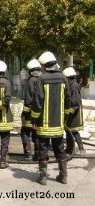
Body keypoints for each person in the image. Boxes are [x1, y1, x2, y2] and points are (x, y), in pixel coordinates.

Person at [31, 51, 71, 185]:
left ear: (44, 65)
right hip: (58, 123)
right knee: (59, 148)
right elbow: (68, 101)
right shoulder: (64, 78)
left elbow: (37, 102)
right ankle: (63, 176)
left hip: (43, 124)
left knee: (43, 149)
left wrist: (34, 120)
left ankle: (43, 178)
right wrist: (65, 117)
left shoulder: (42, 79)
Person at [20, 59, 42, 161]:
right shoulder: (42, 79)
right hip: (40, 113)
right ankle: (37, 155)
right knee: (36, 133)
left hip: (30, 114)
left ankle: (28, 154)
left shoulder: (31, 81)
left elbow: (28, 100)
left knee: (25, 132)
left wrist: (24, 113)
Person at [63, 67, 85, 155]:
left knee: (73, 131)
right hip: (72, 114)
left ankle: (80, 149)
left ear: (68, 77)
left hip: (74, 114)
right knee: (69, 131)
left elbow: (75, 103)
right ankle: (70, 149)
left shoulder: (74, 86)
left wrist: (68, 113)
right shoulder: (71, 85)